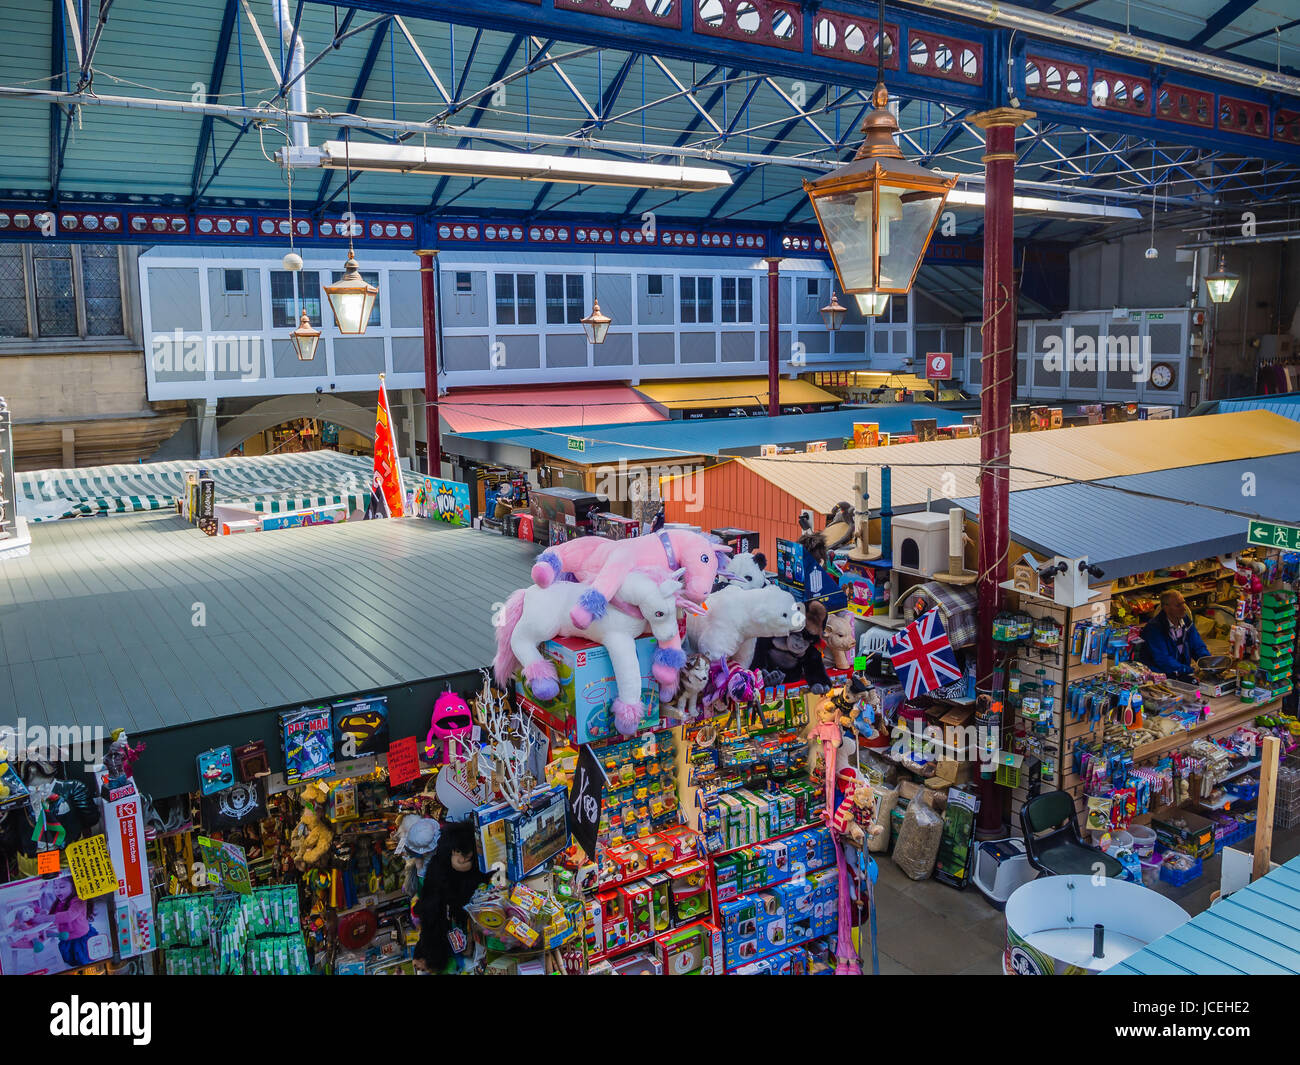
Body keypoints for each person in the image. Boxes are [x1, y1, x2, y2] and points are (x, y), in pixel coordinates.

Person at [1140, 591, 1210, 681]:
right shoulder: (1154, 629)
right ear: (1166, 608)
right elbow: (1163, 660)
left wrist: (1208, 664)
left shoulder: (1186, 622)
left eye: (1183, 603)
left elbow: (1197, 646)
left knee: (1200, 690)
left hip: (1179, 672)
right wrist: (1188, 670)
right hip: (1160, 676)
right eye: (1178, 605)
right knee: (1195, 692)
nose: (1184, 608)